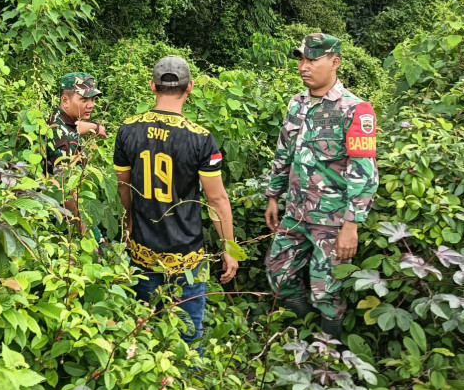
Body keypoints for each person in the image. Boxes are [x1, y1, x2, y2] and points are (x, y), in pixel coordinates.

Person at [114, 55, 238, 345]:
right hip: (187, 256)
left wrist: (130, 219)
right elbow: (217, 200)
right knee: (189, 336)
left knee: (142, 332)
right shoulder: (201, 138)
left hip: (142, 250)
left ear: (152, 86)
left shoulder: (128, 129)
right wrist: (228, 248)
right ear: (190, 88)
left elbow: (124, 187)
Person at [264, 33, 379, 339]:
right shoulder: (297, 103)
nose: (304, 66)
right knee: (278, 272)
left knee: (325, 293)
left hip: (333, 221)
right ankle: (304, 331)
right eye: (301, 59)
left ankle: (329, 356)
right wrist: (273, 195)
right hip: (296, 214)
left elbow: (364, 173)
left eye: (313, 59)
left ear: (334, 62)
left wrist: (351, 225)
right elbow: (284, 152)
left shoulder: (356, 110)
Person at [45, 72, 107, 234]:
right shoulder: (63, 139)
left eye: (93, 99)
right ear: (65, 100)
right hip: (60, 220)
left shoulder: (56, 118)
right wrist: (86, 234)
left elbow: (76, 127)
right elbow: (65, 191)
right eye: (84, 100)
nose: (91, 104)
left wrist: (95, 127)